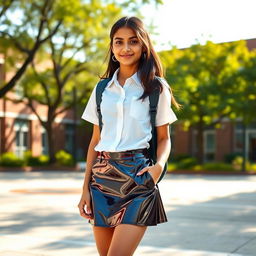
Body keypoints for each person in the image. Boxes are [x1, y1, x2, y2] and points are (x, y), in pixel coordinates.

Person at [78, 16, 180, 256]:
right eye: (118, 42)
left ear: (143, 46)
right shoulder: (102, 89)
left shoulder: (156, 87)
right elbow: (95, 141)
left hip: (137, 178)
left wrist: (159, 167)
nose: (125, 48)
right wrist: (85, 189)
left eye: (133, 41)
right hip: (101, 179)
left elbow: (164, 137)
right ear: (112, 48)